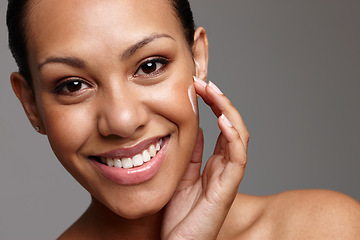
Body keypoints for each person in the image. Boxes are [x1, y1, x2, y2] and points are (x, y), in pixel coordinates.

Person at [6, 0, 360, 239]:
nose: (122, 120)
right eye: (73, 85)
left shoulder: (326, 228)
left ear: (198, 59)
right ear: (31, 104)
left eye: (150, 65)